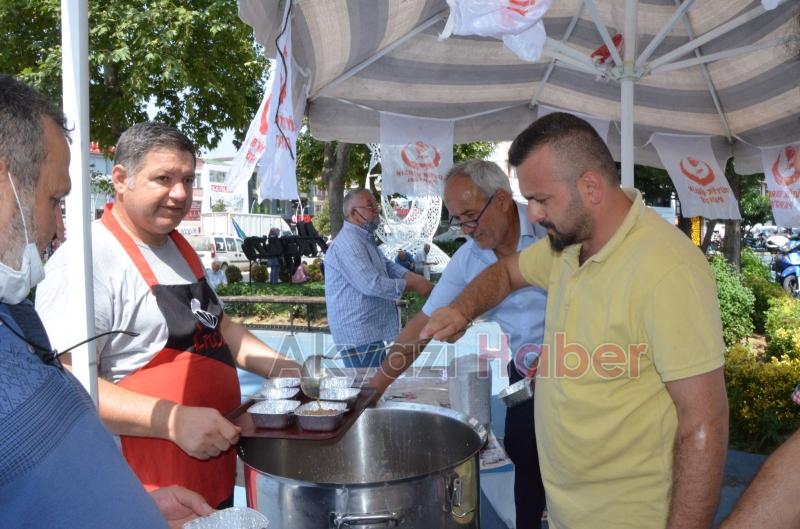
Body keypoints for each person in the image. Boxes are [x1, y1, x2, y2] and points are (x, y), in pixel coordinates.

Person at [421, 113, 729, 529]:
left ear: (590, 187)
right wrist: (461, 309)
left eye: (542, 200)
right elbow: (508, 273)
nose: (532, 215)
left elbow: (704, 425)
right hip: (567, 511)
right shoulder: (567, 246)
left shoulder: (667, 268)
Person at [36, 121, 302, 509]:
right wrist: (172, 420)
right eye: (163, 178)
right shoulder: (86, 261)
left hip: (211, 473)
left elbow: (220, 327)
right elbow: (67, 384)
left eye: (188, 180)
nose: (180, 194)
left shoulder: (178, 246)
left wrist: (285, 368)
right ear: (121, 178)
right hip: (145, 490)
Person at [0, 74, 213, 528]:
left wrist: (137, 506)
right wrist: (171, 421)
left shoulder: (14, 318)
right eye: (54, 200)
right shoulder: (85, 259)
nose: (58, 231)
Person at [367, 160, 549, 528]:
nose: (465, 229)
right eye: (457, 219)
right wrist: (373, 389)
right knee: (524, 455)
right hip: (525, 372)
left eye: (470, 216)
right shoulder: (469, 258)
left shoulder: (551, 227)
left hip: (581, 362)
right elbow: (421, 326)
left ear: (501, 200)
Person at [324, 188, 433, 367]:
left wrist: (414, 278)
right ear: (354, 213)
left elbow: (387, 266)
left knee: (375, 387)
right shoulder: (348, 243)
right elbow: (371, 284)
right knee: (369, 390)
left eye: (376, 207)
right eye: (370, 207)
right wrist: (411, 285)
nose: (377, 211)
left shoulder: (363, 239)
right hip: (358, 336)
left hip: (369, 332)